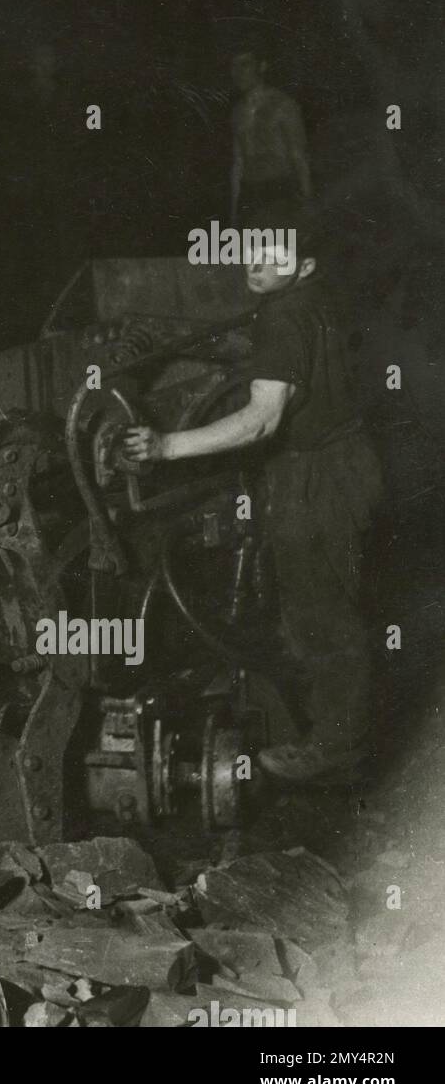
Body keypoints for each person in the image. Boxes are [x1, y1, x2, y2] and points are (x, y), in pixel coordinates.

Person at [124, 203, 382, 783]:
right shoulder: (314, 299)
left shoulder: (285, 315)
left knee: (323, 616)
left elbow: (261, 421)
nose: (257, 263)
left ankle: (337, 751)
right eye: (254, 249)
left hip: (317, 477)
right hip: (342, 463)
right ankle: (327, 725)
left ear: (306, 264)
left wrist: (165, 447)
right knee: (318, 605)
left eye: (276, 256)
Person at [229, 50, 312, 224]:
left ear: (262, 66)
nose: (239, 72)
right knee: (248, 248)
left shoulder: (283, 105)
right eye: (234, 66)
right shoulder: (237, 111)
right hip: (250, 191)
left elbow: (299, 156)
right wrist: (235, 210)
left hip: (278, 188)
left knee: (274, 247)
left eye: (245, 64)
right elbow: (238, 162)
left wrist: (307, 201)